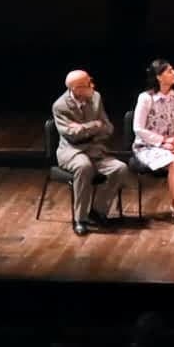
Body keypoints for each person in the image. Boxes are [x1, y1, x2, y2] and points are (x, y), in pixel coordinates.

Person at [49, 70, 123, 233]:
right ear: (77, 88)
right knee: (84, 167)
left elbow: (108, 127)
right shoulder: (60, 106)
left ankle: (97, 211)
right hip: (72, 151)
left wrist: (85, 127)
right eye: (88, 83)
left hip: (94, 148)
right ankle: (80, 219)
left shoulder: (96, 97)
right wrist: (93, 125)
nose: (93, 85)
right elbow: (72, 135)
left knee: (119, 168)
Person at [131, 59, 174, 228]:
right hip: (148, 145)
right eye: (169, 71)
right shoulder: (146, 98)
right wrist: (162, 141)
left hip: (173, 144)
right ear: (159, 77)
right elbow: (138, 128)